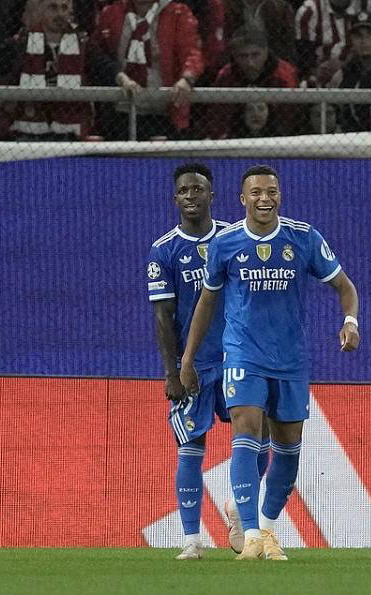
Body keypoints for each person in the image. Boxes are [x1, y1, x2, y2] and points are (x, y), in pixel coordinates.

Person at [180, 165, 360, 561]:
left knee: (288, 450)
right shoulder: (226, 243)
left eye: (272, 192)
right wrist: (188, 358)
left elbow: (345, 286)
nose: (265, 198)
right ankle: (250, 535)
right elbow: (206, 302)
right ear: (242, 199)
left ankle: (266, 527)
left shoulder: (304, 237)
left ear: (280, 196)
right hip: (243, 355)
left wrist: (350, 321)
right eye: (257, 192)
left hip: (291, 360)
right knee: (245, 431)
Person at [147, 163, 232, 560]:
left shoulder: (233, 238)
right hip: (194, 366)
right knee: (191, 445)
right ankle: (192, 539)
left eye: (197, 189)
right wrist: (173, 370)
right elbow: (163, 315)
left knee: (260, 436)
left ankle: (238, 509)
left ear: (212, 195)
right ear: (175, 198)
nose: (191, 196)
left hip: (238, 359)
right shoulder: (164, 250)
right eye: (183, 191)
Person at [0, 0, 93, 141]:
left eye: (64, 8)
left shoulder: (83, 44)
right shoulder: (20, 43)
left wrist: (119, 77)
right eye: (53, 7)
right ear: (41, 10)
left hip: (70, 134)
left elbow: (106, 69)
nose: (60, 14)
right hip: (26, 133)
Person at [91, 0, 204, 139]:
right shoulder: (112, 13)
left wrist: (187, 78)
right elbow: (97, 54)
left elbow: (192, 51)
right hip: (119, 110)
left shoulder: (177, 13)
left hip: (162, 110)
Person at [206, 27, 299, 139]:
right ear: (234, 56)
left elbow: (290, 119)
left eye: (255, 55)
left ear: (266, 52)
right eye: (243, 56)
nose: (250, 63)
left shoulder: (284, 76)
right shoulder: (226, 76)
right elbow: (218, 117)